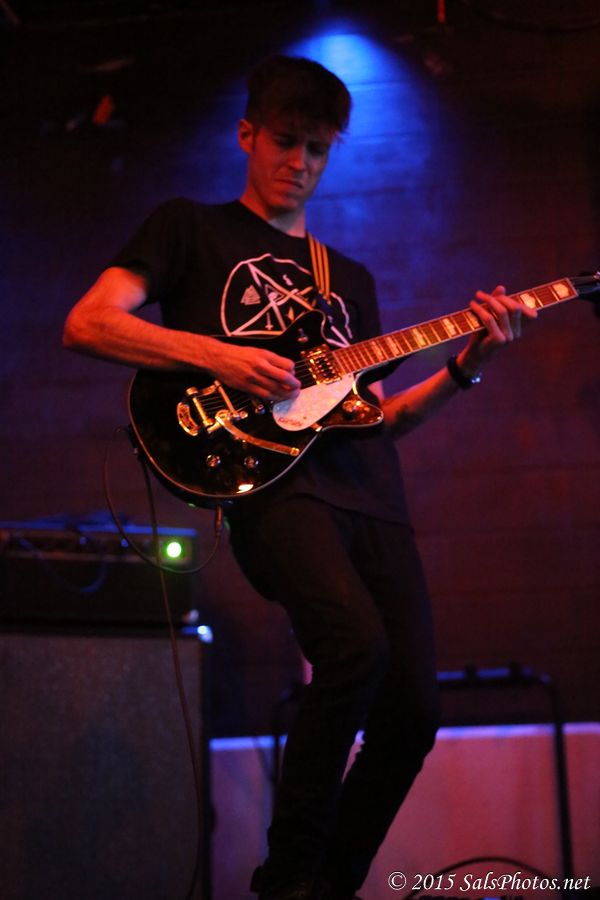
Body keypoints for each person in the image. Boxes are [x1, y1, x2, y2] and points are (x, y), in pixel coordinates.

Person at [63, 55, 536, 900]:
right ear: (247, 134)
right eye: (286, 141)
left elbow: (379, 417)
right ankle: (285, 884)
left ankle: (326, 885)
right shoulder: (188, 228)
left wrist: (468, 365)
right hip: (277, 488)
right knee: (354, 646)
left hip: (373, 497)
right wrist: (220, 357)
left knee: (413, 714)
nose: (301, 163)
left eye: (319, 149)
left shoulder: (346, 278)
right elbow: (89, 323)